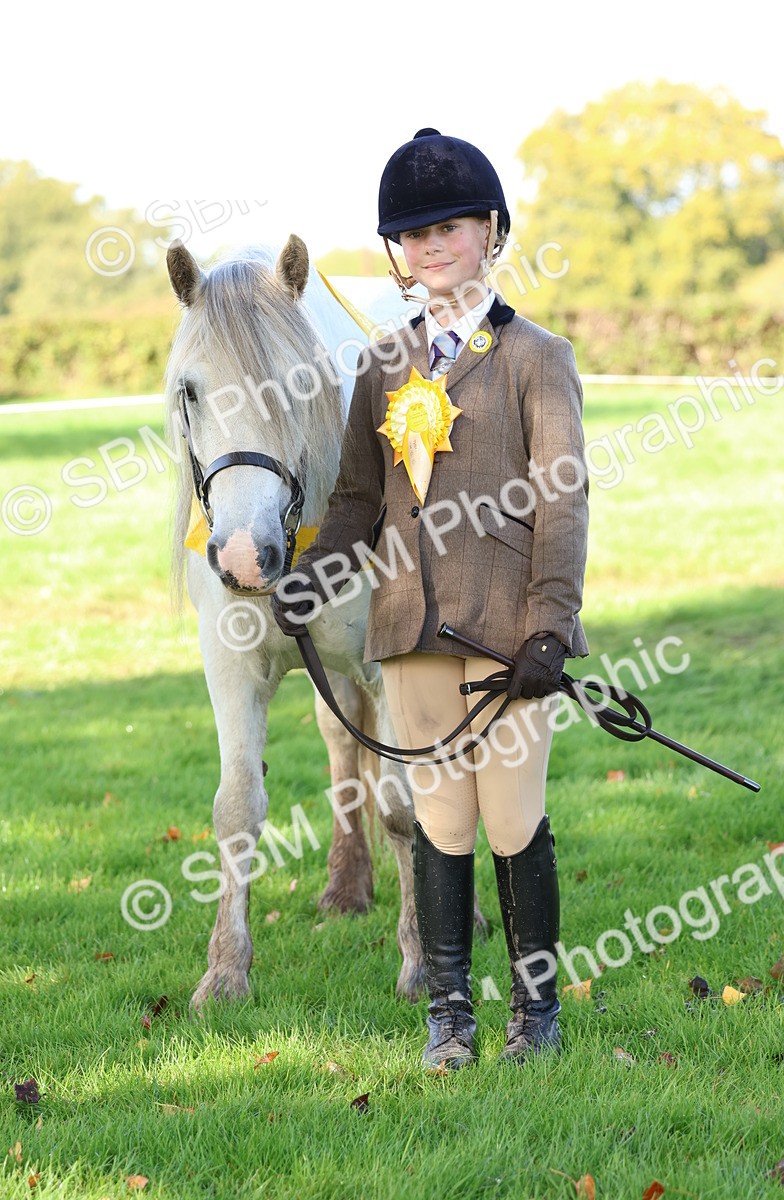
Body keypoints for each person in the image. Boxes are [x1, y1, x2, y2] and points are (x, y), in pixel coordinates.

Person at [272, 128, 588, 1069]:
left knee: (511, 819)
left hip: (507, 634)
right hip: (410, 630)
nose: (430, 247)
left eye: (447, 227)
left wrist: (552, 625)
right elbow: (360, 500)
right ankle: (450, 1017)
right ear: (395, 253)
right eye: (410, 235)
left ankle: (536, 1015)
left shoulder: (538, 356)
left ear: (490, 231)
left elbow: (563, 498)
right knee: (440, 821)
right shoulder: (381, 362)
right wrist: (315, 578)